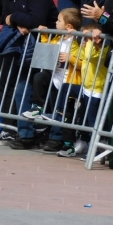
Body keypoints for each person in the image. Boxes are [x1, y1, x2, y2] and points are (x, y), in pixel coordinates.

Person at [0, 0, 59, 148]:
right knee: (21, 89)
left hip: (47, 46)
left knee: (50, 91)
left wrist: (15, 17)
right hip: (23, 50)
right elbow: (4, 17)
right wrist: (14, 20)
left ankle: (55, 134)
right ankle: (26, 135)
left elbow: (35, 20)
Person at [22, 8, 82, 153]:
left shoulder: (78, 40)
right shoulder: (57, 37)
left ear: (68, 26)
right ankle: (37, 107)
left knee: (62, 112)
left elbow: (83, 61)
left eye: (59, 20)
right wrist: (44, 35)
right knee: (39, 77)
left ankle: (62, 140)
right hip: (54, 77)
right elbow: (47, 48)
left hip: (69, 81)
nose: (56, 22)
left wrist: (71, 59)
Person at [51, 23, 109, 157]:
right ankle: (60, 113)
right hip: (86, 88)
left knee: (92, 120)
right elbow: (77, 53)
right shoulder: (87, 46)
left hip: (97, 91)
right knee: (66, 87)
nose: (85, 42)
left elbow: (89, 56)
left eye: (87, 38)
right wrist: (75, 39)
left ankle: (99, 147)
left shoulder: (102, 49)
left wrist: (90, 41)